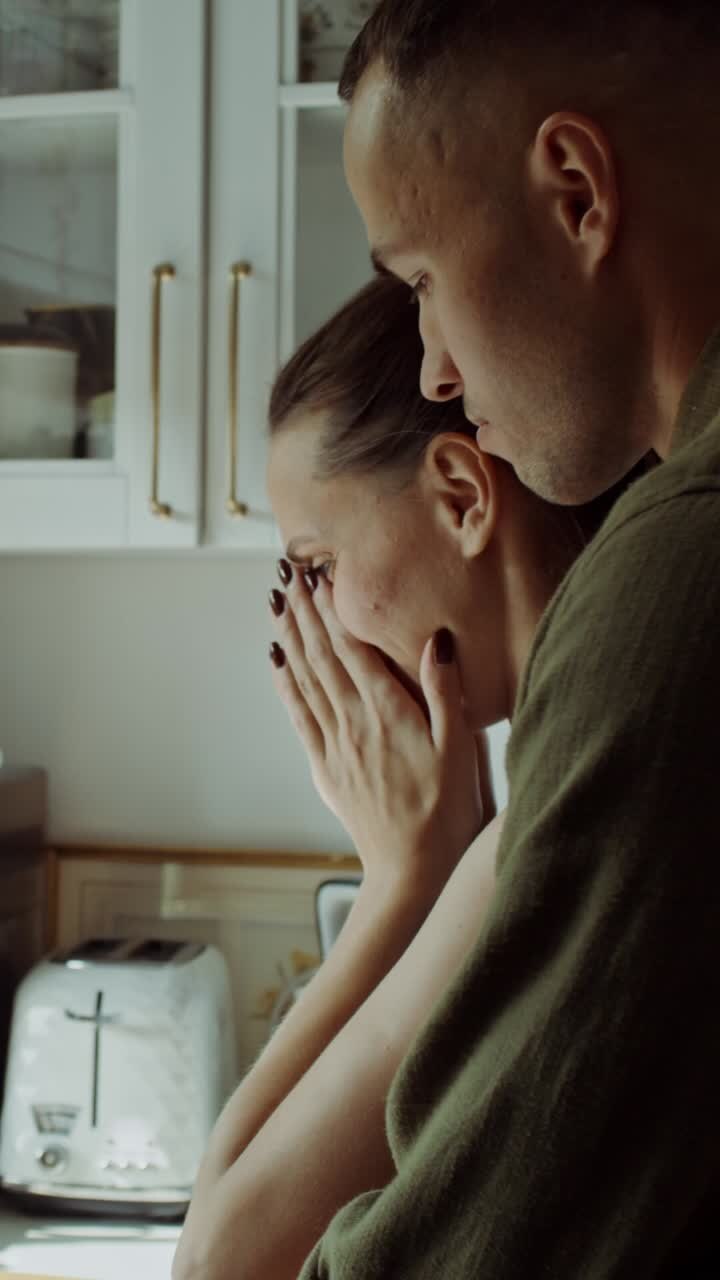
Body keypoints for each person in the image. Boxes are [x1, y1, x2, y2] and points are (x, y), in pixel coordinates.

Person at [291, 2, 719, 1276]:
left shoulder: (679, 574)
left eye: (419, 280)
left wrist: (400, 879)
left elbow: (464, 1248)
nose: (430, 365)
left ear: (576, 193)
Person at [172, 276, 650, 1280]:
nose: (319, 622)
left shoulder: (554, 806)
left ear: (464, 494)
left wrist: (403, 881)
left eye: (316, 564)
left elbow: (222, 1258)